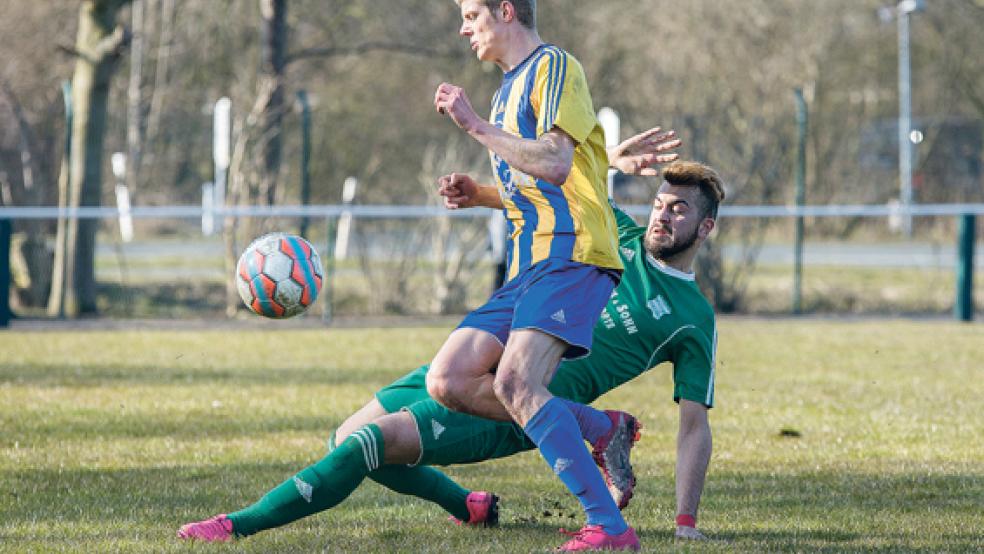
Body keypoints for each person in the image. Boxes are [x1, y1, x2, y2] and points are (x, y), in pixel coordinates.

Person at [178, 159, 724, 546]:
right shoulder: (616, 237)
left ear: (705, 227)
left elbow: (694, 424)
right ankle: (468, 505)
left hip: (516, 400)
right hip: (472, 361)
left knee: (367, 445)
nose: (662, 216)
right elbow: (548, 193)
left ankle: (237, 525)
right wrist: (480, 193)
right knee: (343, 439)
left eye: (678, 210)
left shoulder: (692, 319)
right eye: (658, 203)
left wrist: (685, 518)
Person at [431, 1, 634, 549]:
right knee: (447, 380)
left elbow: (556, 162)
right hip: (529, 265)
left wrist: (474, 126)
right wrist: (481, 195)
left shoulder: (555, 66)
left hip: (574, 254)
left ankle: (609, 527)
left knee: (516, 384)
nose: (463, 26)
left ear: (506, 10)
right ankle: (601, 429)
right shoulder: (506, 91)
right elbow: (538, 188)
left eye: (472, 13)